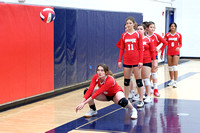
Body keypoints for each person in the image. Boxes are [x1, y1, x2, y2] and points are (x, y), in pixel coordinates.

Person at [118, 16, 144, 108]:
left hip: (136, 61)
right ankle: (126, 98)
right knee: (126, 80)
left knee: (139, 81)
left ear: (133, 24)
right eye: (127, 23)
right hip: (127, 60)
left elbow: (141, 49)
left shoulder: (138, 34)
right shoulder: (124, 35)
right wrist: (119, 60)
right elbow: (121, 49)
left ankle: (141, 99)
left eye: (130, 23)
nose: (128, 25)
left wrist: (141, 61)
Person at [146, 21, 168, 97]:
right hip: (146, 57)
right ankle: (147, 90)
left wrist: (159, 49)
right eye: (151, 27)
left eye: (153, 27)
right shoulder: (144, 37)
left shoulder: (156, 36)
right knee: (147, 74)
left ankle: (156, 89)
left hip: (154, 56)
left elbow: (165, 42)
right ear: (147, 28)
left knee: (154, 73)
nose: (152, 29)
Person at [137, 24, 157, 103]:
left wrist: (154, 62)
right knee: (139, 79)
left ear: (145, 30)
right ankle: (140, 95)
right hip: (137, 62)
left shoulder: (148, 39)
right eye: (137, 29)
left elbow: (152, 52)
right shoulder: (135, 40)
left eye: (141, 29)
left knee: (146, 79)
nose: (139, 30)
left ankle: (148, 95)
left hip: (146, 61)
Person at [116, 24, 136, 100]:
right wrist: (124, 47)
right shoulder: (124, 36)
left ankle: (140, 93)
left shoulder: (135, 35)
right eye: (125, 28)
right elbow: (119, 45)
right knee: (129, 77)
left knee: (139, 77)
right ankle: (131, 91)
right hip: (127, 59)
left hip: (136, 59)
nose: (126, 29)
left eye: (127, 27)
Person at [161, 22, 182, 88]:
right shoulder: (167, 35)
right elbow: (164, 44)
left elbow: (181, 43)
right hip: (169, 52)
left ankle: (175, 81)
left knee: (174, 67)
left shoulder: (178, 35)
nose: (173, 27)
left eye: (174, 26)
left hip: (176, 53)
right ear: (170, 27)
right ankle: (171, 80)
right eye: (171, 26)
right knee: (170, 67)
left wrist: (179, 47)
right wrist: (161, 52)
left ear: (175, 27)